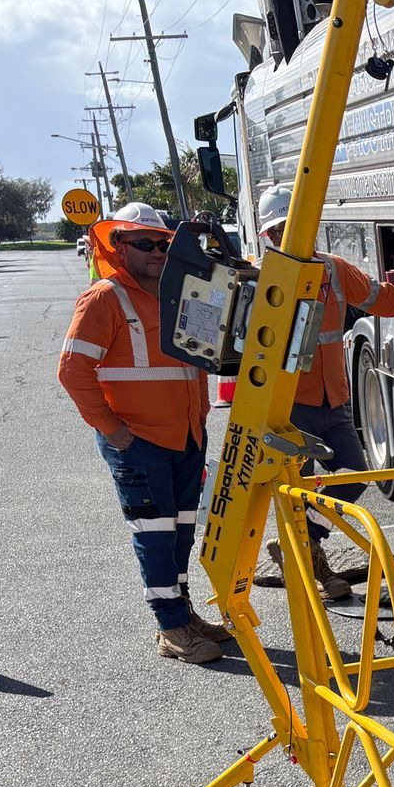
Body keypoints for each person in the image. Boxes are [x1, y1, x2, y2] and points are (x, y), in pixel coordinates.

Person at [253, 185, 394, 600]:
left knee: (353, 476)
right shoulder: (261, 280)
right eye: (282, 229)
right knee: (295, 488)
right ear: (270, 237)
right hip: (286, 409)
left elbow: (380, 297)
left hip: (333, 402)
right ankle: (312, 562)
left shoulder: (332, 269)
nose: (293, 235)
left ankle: (304, 542)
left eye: (298, 225)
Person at [58, 202, 229, 664]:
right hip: (139, 443)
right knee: (155, 535)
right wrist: (115, 432)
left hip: (187, 437)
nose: (157, 251)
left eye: (164, 243)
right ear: (119, 246)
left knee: (180, 535)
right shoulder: (105, 297)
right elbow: (73, 371)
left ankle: (183, 614)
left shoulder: (181, 294)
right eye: (144, 243)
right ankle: (171, 628)